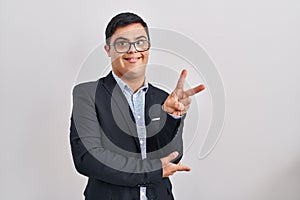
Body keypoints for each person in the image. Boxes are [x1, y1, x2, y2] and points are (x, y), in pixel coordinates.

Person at [70, 12, 205, 200]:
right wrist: (152, 171)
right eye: (122, 43)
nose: (133, 50)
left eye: (140, 42)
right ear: (108, 49)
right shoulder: (88, 94)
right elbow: (88, 159)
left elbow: (172, 157)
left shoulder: (163, 99)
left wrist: (172, 118)